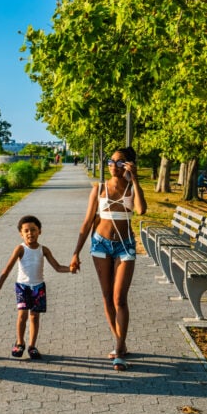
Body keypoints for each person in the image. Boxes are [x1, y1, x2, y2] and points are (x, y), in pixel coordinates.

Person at [69, 146, 147, 371]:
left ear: (129, 165)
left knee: (119, 298)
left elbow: (141, 210)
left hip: (125, 246)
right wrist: (75, 252)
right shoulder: (99, 188)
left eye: (120, 162)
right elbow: (87, 223)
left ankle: (119, 351)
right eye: (111, 161)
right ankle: (118, 341)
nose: (113, 166)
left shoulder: (131, 188)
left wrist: (135, 179)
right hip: (100, 244)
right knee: (106, 297)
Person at [0, 215, 72, 360]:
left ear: (40, 231)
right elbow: (7, 269)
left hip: (38, 287)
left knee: (34, 317)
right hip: (23, 287)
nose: (30, 233)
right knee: (22, 315)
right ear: (21, 234)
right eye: (26, 231)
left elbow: (58, 267)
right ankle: (20, 342)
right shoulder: (20, 249)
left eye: (33, 230)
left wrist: (70, 269)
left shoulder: (43, 250)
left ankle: (32, 346)